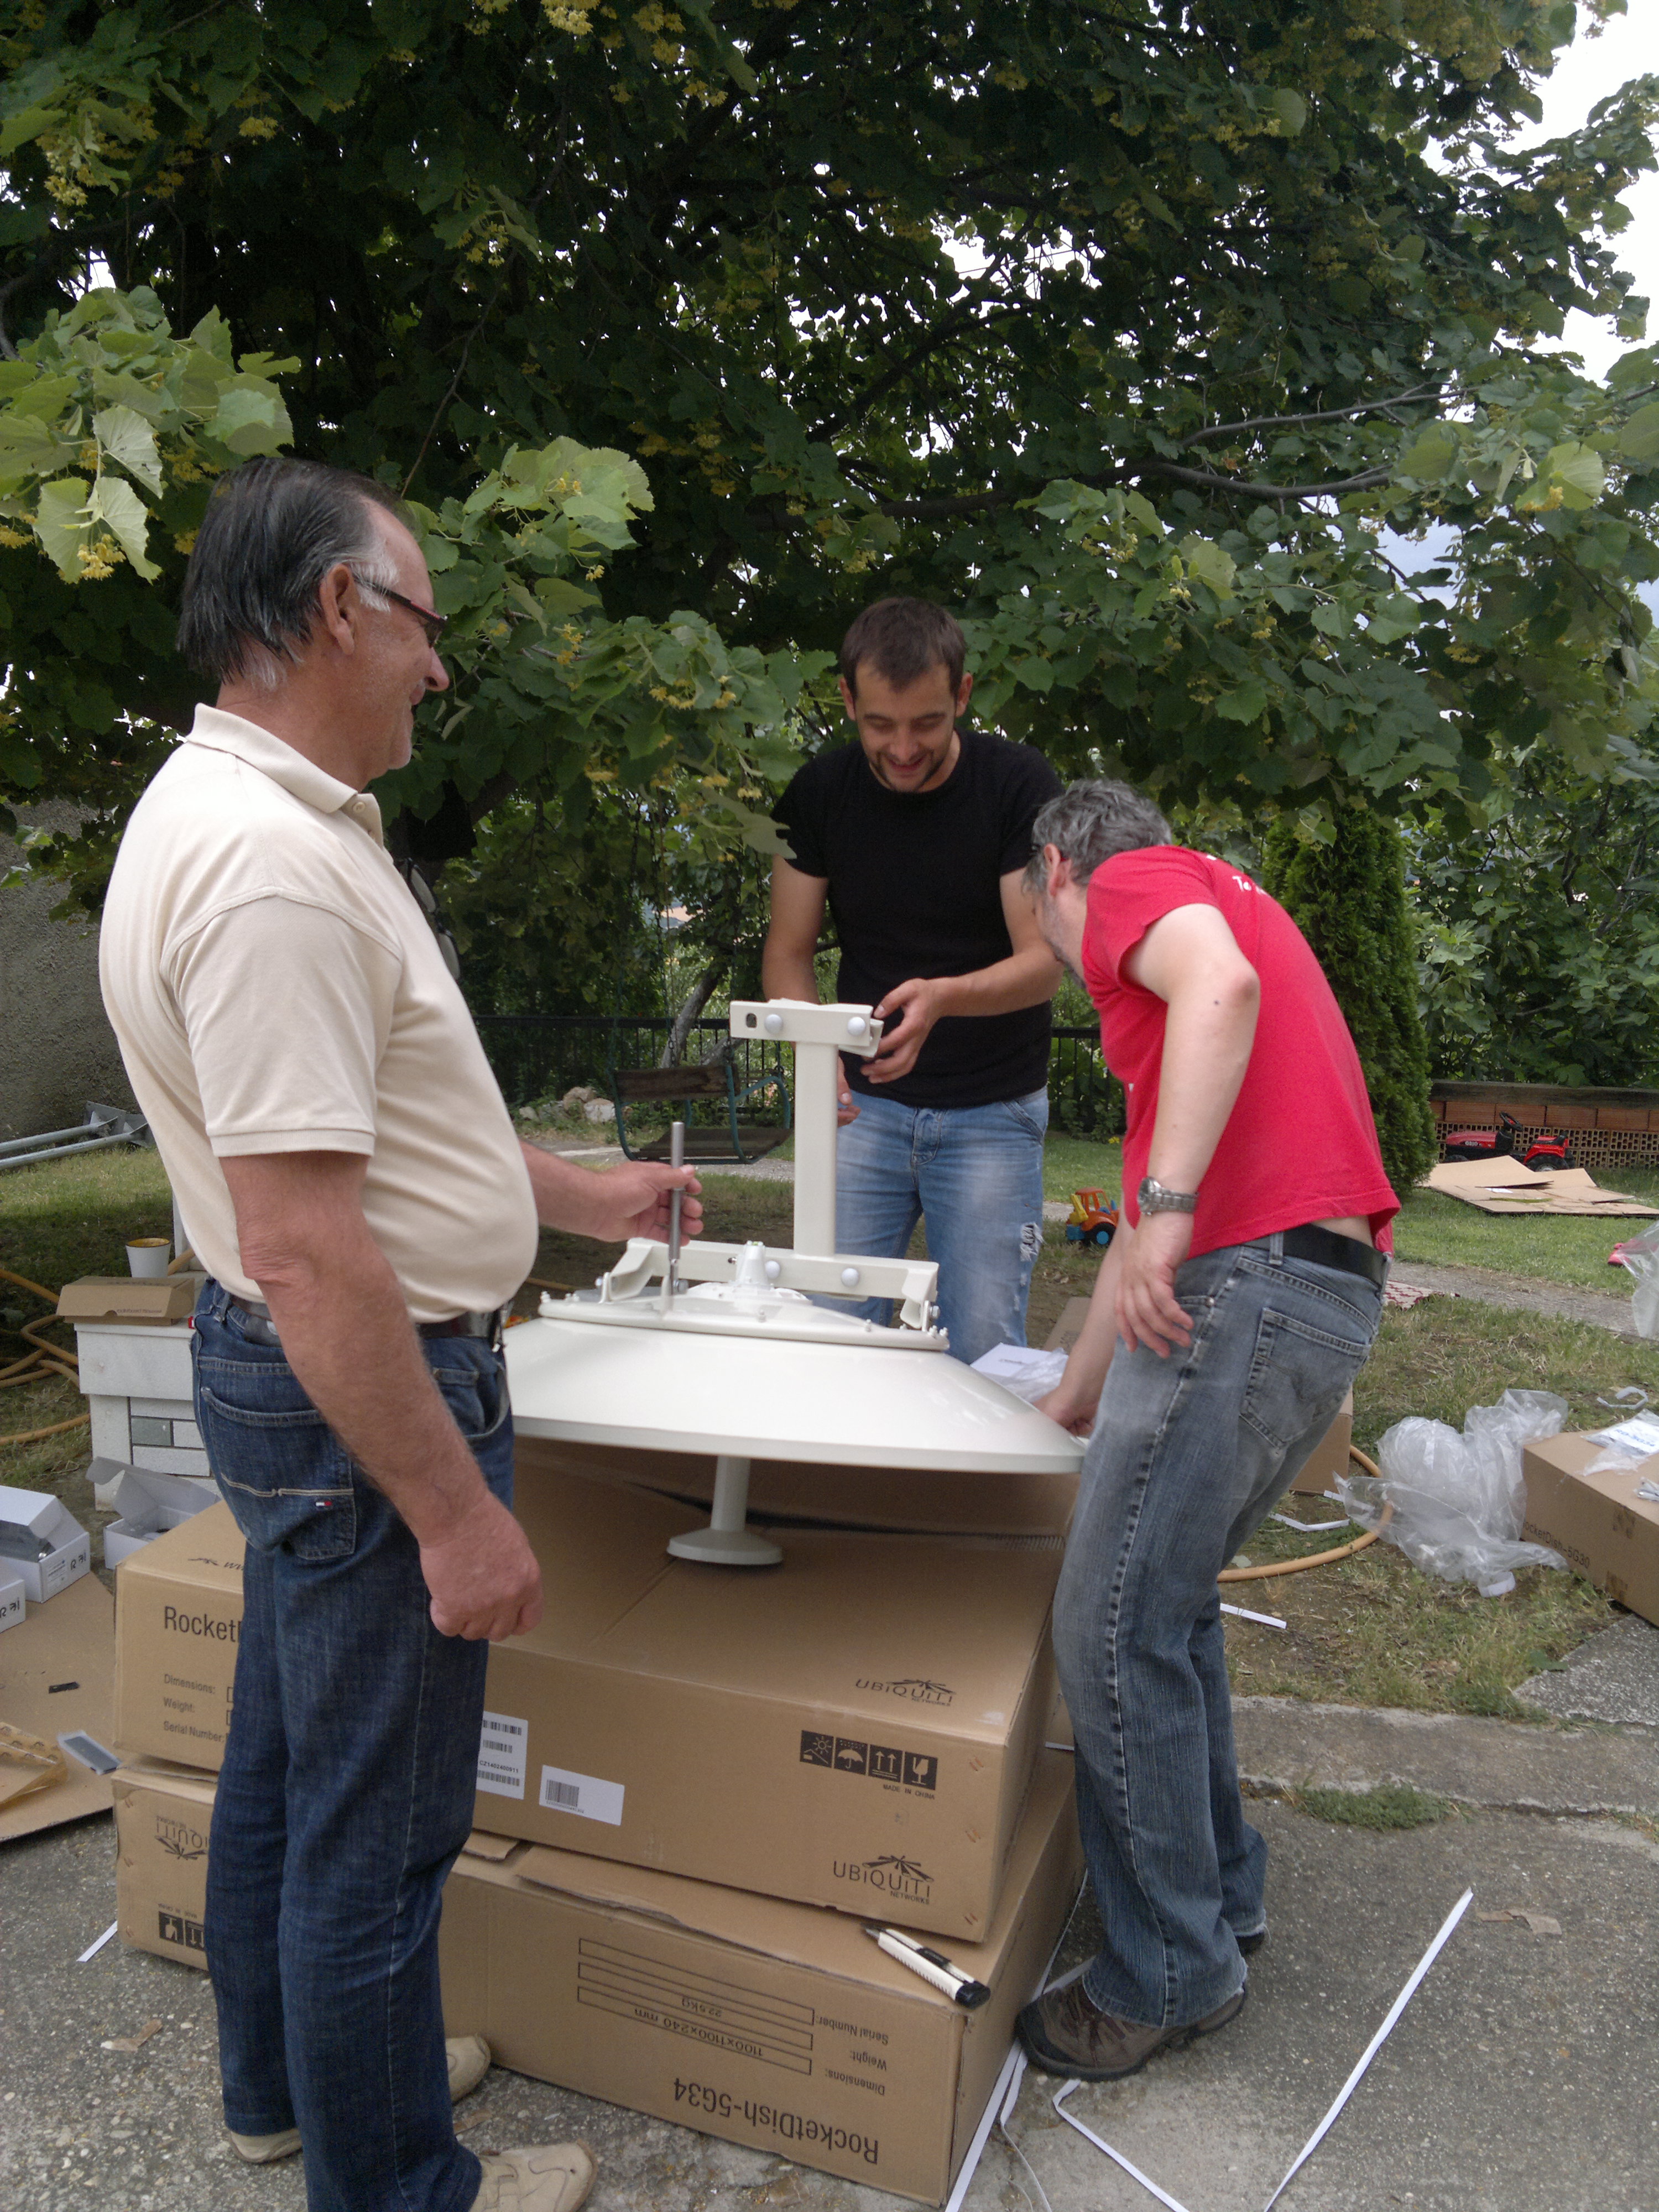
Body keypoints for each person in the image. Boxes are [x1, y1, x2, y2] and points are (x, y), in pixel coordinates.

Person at [100, 457, 700, 2212]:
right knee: (384, 1829)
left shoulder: (227, 811)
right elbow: (306, 1241)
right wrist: (454, 1514)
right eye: (426, 623)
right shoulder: (275, 872)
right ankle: (399, 2184)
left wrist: (577, 1196)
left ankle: (296, 2089)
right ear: (341, 608)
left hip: (291, 1377)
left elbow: (363, 1139)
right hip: (365, 1382)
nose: (441, 667)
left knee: (290, 1767)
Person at [1016, 780, 1396, 2081]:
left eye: (1039, 912)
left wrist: (1174, 1212)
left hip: (1245, 1282)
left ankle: (1167, 1973)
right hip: (1321, 1290)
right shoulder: (1211, 937)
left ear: (1058, 868)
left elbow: (1217, 994)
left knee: (1111, 1626)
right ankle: (1221, 1897)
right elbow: (1138, 1201)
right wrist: (1074, 1392)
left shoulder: (1137, 886)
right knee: (1167, 1611)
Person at [764, 597, 1063, 1365]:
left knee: (986, 1353)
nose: (902, 749)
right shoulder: (819, 793)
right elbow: (788, 954)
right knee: (830, 1341)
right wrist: (816, 1055)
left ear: (962, 695)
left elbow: (1043, 963)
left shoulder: (1019, 785)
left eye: (927, 723)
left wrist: (944, 998)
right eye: (880, 725)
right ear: (847, 700)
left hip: (993, 1112)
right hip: (862, 1114)